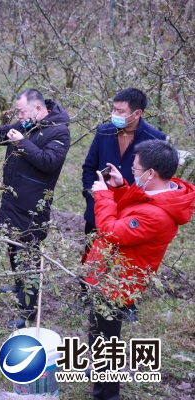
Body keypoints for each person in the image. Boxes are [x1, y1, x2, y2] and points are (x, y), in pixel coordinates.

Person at [84, 140, 195, 400]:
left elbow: (112, 231)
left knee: (105, 339)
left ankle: (106, 394)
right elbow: (132, 209)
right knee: (98, 332)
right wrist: (121, 186)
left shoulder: (158, 216)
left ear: (151, 173)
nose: (133, 172)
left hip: (117, 281)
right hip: (111, 272)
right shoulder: (159, 195)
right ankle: (102, 372)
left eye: (135, 170)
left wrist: (102, 194)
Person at [0, 89, 70, 329]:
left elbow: (49, 162)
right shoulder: (28, 123)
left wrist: (22, 143)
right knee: (13, 246)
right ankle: (18, 284)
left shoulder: (59, 132)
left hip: (33, 206)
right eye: (17, 111)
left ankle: (27, 311)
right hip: (13, 198)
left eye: (21, 111)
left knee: (29, 258)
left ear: (38, 108)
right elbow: (0, 136)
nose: (19, 115)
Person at [80, 88, 165, 320]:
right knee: (92, 251)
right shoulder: (105, 131)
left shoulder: (155, 139)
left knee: (127, 258)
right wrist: (94, 196)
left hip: (131, 211)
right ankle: (86, 292)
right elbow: (89, 168)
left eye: (120, 111)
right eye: (113, 109)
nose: (114, 114)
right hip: (99, 206)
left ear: (137, 113)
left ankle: (127, 303)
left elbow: (152, 181)